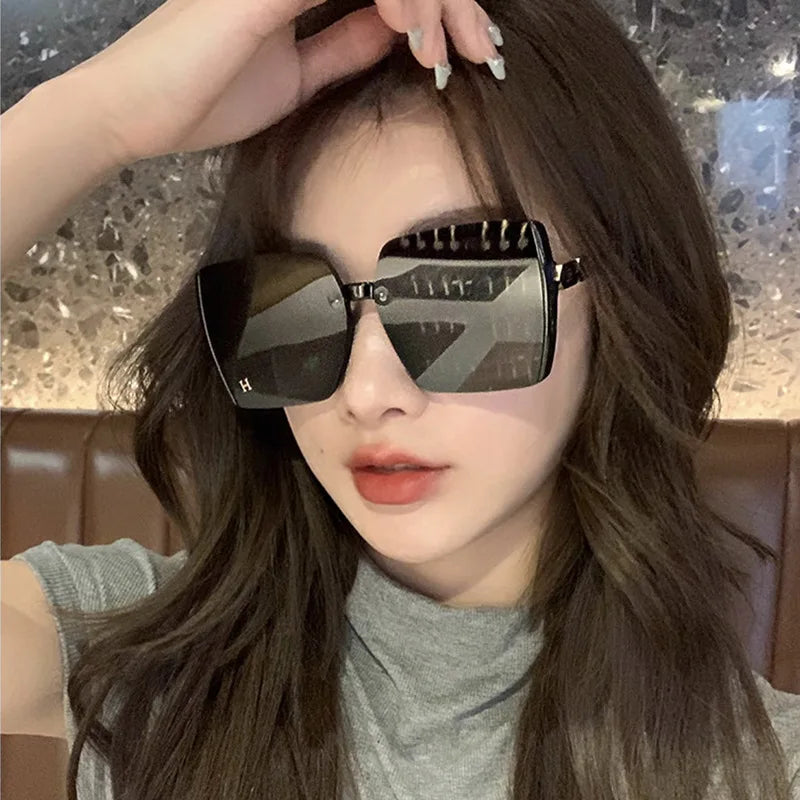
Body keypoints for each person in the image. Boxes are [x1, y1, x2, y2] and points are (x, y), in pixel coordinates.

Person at [1, 0, 798, 798]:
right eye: (298, 305)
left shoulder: (759, 771)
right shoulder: (139, 660)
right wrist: (98, 116)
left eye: (459, 297)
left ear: (620, 299)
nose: (366, 391)